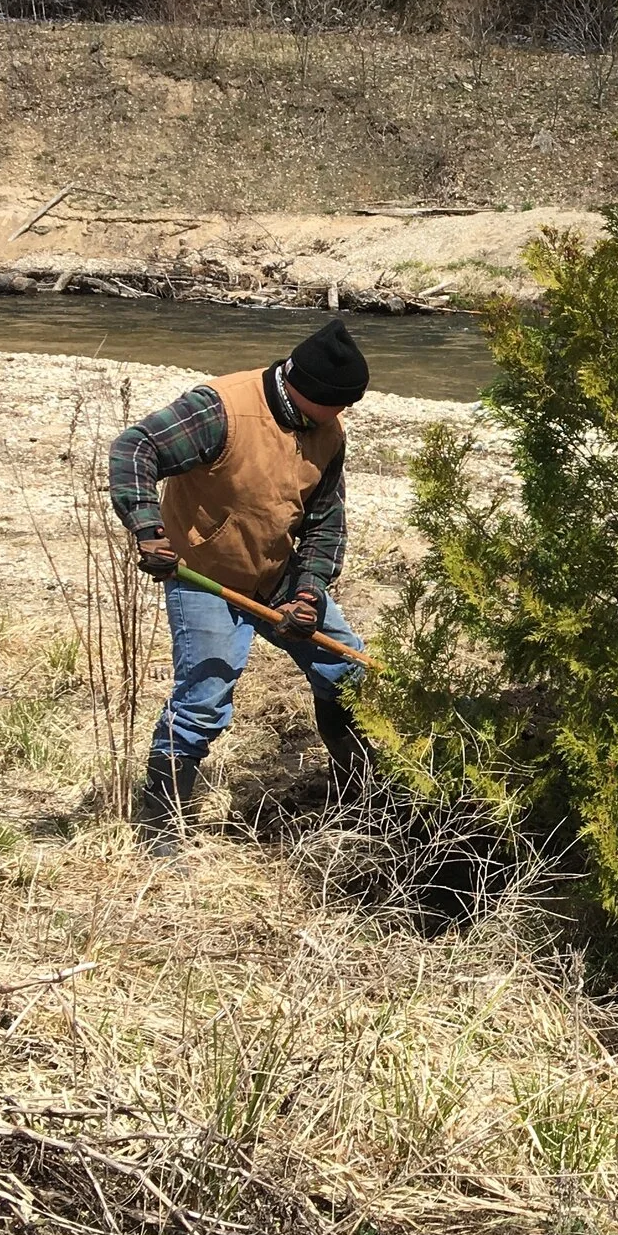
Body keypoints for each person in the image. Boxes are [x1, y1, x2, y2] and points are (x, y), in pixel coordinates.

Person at [109, 318, 375, 846]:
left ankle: (362, 797)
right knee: (204, 700)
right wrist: (148, 530)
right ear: (311, 391)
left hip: (276, 573)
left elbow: (325, 520)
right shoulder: (222, 408)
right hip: (203, 576)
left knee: (348, 672)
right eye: (341, 404)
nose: (344, 415)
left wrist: (309, 591)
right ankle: (159, 829)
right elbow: (134, 449)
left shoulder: (327, 431)